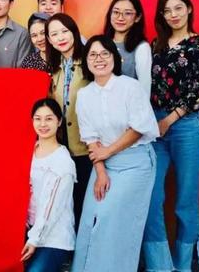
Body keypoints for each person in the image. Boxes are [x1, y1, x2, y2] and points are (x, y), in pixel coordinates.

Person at [71, 35, 158, 271]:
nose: (99, 59)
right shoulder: (84, 95)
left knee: (112, 220)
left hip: (135, 163)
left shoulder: (130, 87)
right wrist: (100, 172)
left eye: (104, 54)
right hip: (103, 164)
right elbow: (90, 138)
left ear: (115, 58)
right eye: (92, 55)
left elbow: (138, 129)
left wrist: (107, 152)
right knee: (90, 219)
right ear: (86, 61)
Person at [143, 0, 199, 272]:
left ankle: (184, 266)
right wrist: (153, 122)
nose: (173, 15)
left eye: (178, 8)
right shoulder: (155, 46)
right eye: (167, 10)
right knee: (151, 198)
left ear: (189, 9)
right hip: (154, 128)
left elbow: (198, 93)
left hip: (185, 128)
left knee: (186, 201)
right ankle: (159, 266)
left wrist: (168, 120)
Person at [21, 98, 76, 272]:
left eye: (49, 119)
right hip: (28, 232)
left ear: (59, 121)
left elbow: (51, 208)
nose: (43, 124)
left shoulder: (62, 161)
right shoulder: (28, 152)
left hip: (54, 239)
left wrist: (34, 240)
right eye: (38, 119)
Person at [45, 13, 90, 228]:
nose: (60, 37)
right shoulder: (54, 68)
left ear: (74, 32)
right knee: (66, 204)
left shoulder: (89, 62)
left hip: (88, 147)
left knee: (86, 203)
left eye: (64, 31)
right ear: (49, 39)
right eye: (54, 34)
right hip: (63, 147)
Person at [103, 0, 151, 96]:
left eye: (128, 13)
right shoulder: (101, 43)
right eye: (116, 12)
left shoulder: (141, 47)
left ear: (137, 17)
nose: (120, 18)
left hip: (129, 104)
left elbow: (145, 88)